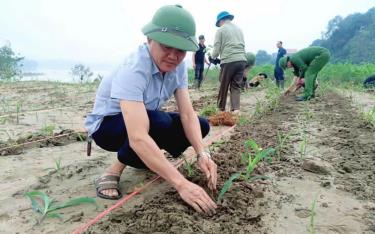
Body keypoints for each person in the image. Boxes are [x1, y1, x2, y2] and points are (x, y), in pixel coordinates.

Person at [84, 4, 217, 215]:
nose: (173, 56)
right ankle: (113, 170)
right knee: (158, 122)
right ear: (149, 40)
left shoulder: (178, 67)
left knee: (201, 125)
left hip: (143, 119)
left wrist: (203, 154)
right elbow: (137, 136)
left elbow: (187, 114)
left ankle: (149, 158)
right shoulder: (134, 69)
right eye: (166, 46)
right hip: (107, 127)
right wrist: (181, 184)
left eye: (180, 50)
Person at [211, 11, 247, 113]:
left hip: (229, 60)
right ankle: (236, 110)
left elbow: (217, 47)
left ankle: (220, 109)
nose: (218, 26)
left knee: (224, 85)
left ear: (221, 20)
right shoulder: (239, 29)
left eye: (218, 24)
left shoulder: (221, 30)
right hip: (241, 60)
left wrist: (212, 57)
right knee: (236, 86)